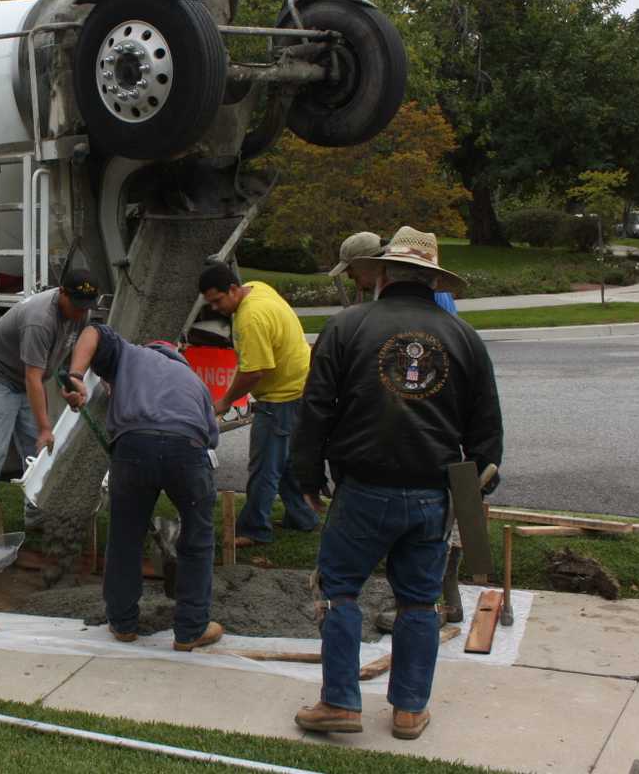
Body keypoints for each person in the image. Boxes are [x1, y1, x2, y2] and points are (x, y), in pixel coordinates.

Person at [289, 227, 503, 740]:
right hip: (432, 496)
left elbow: (315, 408)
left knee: (339, 591)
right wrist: (475, 489)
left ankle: (340, 702)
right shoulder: (464, 338)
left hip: (361, 489)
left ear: (383, 272)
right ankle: (409, 709)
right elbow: (487, 431)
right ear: (432, 278)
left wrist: (305, 475)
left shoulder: (347, 327)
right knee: (419, 602)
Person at [60, 325, 223, 651]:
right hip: (187, 448)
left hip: (133, 447)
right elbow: (211, 439)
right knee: (199, 537)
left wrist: (76, 375)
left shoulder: (129, 354)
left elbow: (92, 331)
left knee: (125, 536)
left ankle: (122, 624)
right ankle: (191, 630)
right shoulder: (195, 382)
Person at [0, 268, 99, 566]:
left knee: (38, 449)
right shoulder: (39, 320)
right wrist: (45, 427)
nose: (82, 311)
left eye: (87, 305)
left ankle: (36, 513)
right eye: (77, 303)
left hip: (28, 378)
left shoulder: (80, 313)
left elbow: (65, 356)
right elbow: (32, 377)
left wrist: (71, 384)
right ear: (62, 293)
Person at [197, 261, 318, 546]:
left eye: (217, 301)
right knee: (284, 462)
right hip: (301, 387)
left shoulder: (250, 318)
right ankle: (303, 518)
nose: (215, 309)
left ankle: (254, 530)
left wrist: (224, 401)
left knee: (264, 466)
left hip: (281, 398)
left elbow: (254, 372)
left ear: (233, 289)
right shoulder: (259, 289)